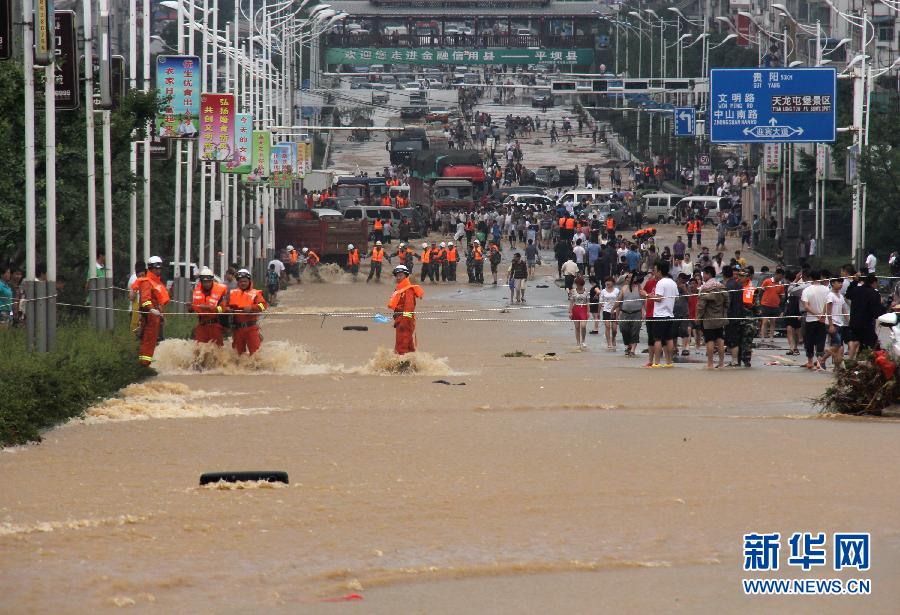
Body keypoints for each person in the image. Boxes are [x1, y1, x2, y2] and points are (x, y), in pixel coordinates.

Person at [137, 256, 170, 366]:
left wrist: (160, 313)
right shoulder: (147, 281)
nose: (158, 270)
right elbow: (145, 300)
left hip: (156, 315)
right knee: (148, 339)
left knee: (153, 340)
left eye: (159, 268)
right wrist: (151, 309)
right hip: (150, 315)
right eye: (156, 268)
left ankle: (148, 363)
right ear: (150, 268)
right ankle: (144, 364)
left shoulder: (156, 282)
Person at [227, 269, 268, 355]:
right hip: (237, 329)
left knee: (255, 354)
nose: (243, 283)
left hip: (251, 328)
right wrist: (227, 309)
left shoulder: (256, 293)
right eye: (241, 281)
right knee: (238, 355)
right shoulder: (233, 293)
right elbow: (225, 305)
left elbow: (263, 306)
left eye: (245, 281)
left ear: (249, 281)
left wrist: (252, 308)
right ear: (238, 282)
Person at [845, 273, 887, 355]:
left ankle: (855, 363)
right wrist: (884, 309)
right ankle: (869, 363)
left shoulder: (856, 290)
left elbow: (848, 294)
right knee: (873, 344)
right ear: (874, 282)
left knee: (861, 345)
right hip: (866, 325)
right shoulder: (874, 294)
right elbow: (876, 313)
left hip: (854, 324)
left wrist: (854, 282)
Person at [388, 265, 424, 355]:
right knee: (408, 345)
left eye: (400, 275)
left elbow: (409, 308)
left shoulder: (408, 290)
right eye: (397, 276)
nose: (398, 277)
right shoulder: (400, 289)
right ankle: (412, 365)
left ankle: (402, 365)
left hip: (405, 321)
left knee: (401, 346)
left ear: (406, 276)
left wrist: (404, 322)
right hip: (400, 320)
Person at [696, 265, 728, 369]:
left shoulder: (705, 288)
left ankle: (710, 364)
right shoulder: (721, 285)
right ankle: (722, 363)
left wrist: (698, 317)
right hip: (720, 317)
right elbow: (727, 301)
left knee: (709, 340)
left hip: (708, 318)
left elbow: (701, 305)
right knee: (720, 340)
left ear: (708, 274)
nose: (703, 276)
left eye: (704, 274)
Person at [649, 261, 678, 367]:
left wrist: (647, 295)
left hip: (660, 315)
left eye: (655, 271)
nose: (654, 273)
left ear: (660, 271)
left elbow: (659, 298)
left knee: (657, 339)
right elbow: (676, 297)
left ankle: (656, 362)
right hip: (670, 314)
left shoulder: (660, 283)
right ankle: (669, 362)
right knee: (669, 338)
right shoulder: (673, 282)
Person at [191, 267, 229, 346]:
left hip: (215, 325)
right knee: (199, 351)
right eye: (204, 282)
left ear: (212, 280)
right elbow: (193, 308)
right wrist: (191, 307)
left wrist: (210, 308)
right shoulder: (197, 291)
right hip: (201, 325)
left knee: (217, 351)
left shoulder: (220, 292)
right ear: (201, 281)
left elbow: (222, 309)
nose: (206, 284)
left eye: (208, 281)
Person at [800, 271, 830, 371]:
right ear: (820, 277)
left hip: (810, 319)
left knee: (809, 340)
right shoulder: (826, 289)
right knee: (821, 340)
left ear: (811, 278)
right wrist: (822, 315)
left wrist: (816, 315)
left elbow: (806, 306)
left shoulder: (807, 290)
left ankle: (809, 361)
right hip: (822, 320)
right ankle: (819, 360)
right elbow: (828, 303)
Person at [821, 278, 849, 372]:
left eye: (841, 283)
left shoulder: (840, 296)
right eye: (838, 282)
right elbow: (828, 310)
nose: (841, 284)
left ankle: (836, 367)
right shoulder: (830, 296)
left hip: (840, 323)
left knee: (839, 347)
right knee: (837, 345)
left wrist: (848, 321)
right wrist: (831, 324)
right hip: (832, 323)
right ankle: (823, 357)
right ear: (833, 283)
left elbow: (844, 310)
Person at [617, 272, 643, 357]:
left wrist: (645, 311)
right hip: (625, 313)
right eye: (627, 278)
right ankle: (628, 346)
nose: (628, 279)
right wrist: (613, 310)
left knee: (635, 331)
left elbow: (644, 300)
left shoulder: (639, 287)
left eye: (630, 277)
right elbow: (619, 301)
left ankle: (632, 350)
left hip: (637, 313)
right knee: (624, 330)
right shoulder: (624, 288)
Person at [758, 268, 785, 342]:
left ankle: (771, 338)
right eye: (780, 276)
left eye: (782, 277)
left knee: (773, 322)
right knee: (765, 321)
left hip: (775, 306)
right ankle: (763, 337)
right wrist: (760, 304)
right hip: (765, 305)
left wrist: (780, 307)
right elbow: (761, 292)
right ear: (776, 274)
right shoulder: (767, 281)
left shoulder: (781, 285)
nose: (780, 278)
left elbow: (781, 296)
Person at [600, 276, 620, 351]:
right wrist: (598, 312)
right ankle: (609, 343)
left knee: (614, 329)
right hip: (606, 310)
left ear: (613, 282)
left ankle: (613, 338)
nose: (607, 283)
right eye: (606, 281)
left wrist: (618, 315)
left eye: (609, 281)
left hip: (614, 311)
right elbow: (600, 302)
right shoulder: (603, 291)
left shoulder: (617, 291)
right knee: (607, 326)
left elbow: (618, 303)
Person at [569, 276, 590, 350]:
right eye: (578, 284)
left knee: (583, 326)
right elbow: (571, 302)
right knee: (577, 327)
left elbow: (588, 302)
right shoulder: (573, 291)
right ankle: (578, 342)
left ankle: (583, 341)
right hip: (576, 308)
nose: (579, 286)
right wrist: (570, 312)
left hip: (583, 308)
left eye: (581, 284)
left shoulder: (586, 291)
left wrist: (588, 311)